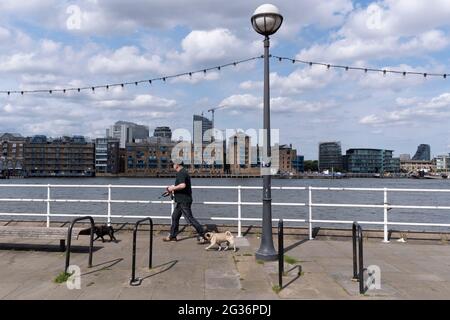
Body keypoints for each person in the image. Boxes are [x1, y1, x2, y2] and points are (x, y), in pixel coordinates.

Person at [163, 159, 206, 243]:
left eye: (173, 164)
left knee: (190, 219)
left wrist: (172, 188)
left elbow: (183, 185)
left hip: (184, 200)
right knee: (175, 217)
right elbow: (182, 186)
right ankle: (173, 236)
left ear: (177, 165)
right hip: (181, 200)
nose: (172, 166)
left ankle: (202, 234)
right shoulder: (183, 172)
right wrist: (171, 191)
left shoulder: (181, 173)